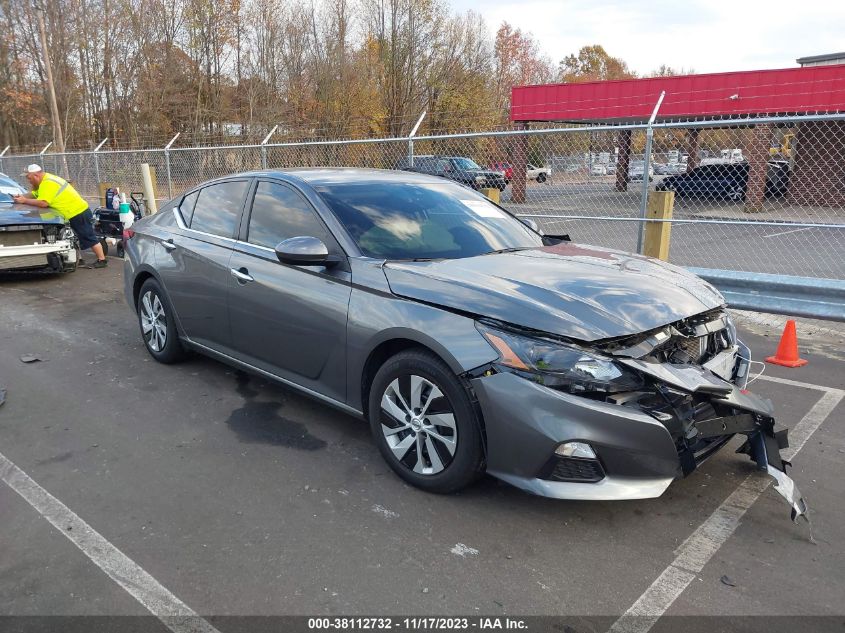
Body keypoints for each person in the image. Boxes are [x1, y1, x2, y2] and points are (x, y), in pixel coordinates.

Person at [12, 164, 107, 268]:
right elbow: (34, 194)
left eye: (29, 178)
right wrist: (21, 197)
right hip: (72, 213)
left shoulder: (47, 183)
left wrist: (24, 201)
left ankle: (102, 260)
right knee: (74, 238)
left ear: (36, 175)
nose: (28, 181)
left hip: (78, 212)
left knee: (88, 237)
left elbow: (44, 203)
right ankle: (78, 260)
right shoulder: (45, 181)